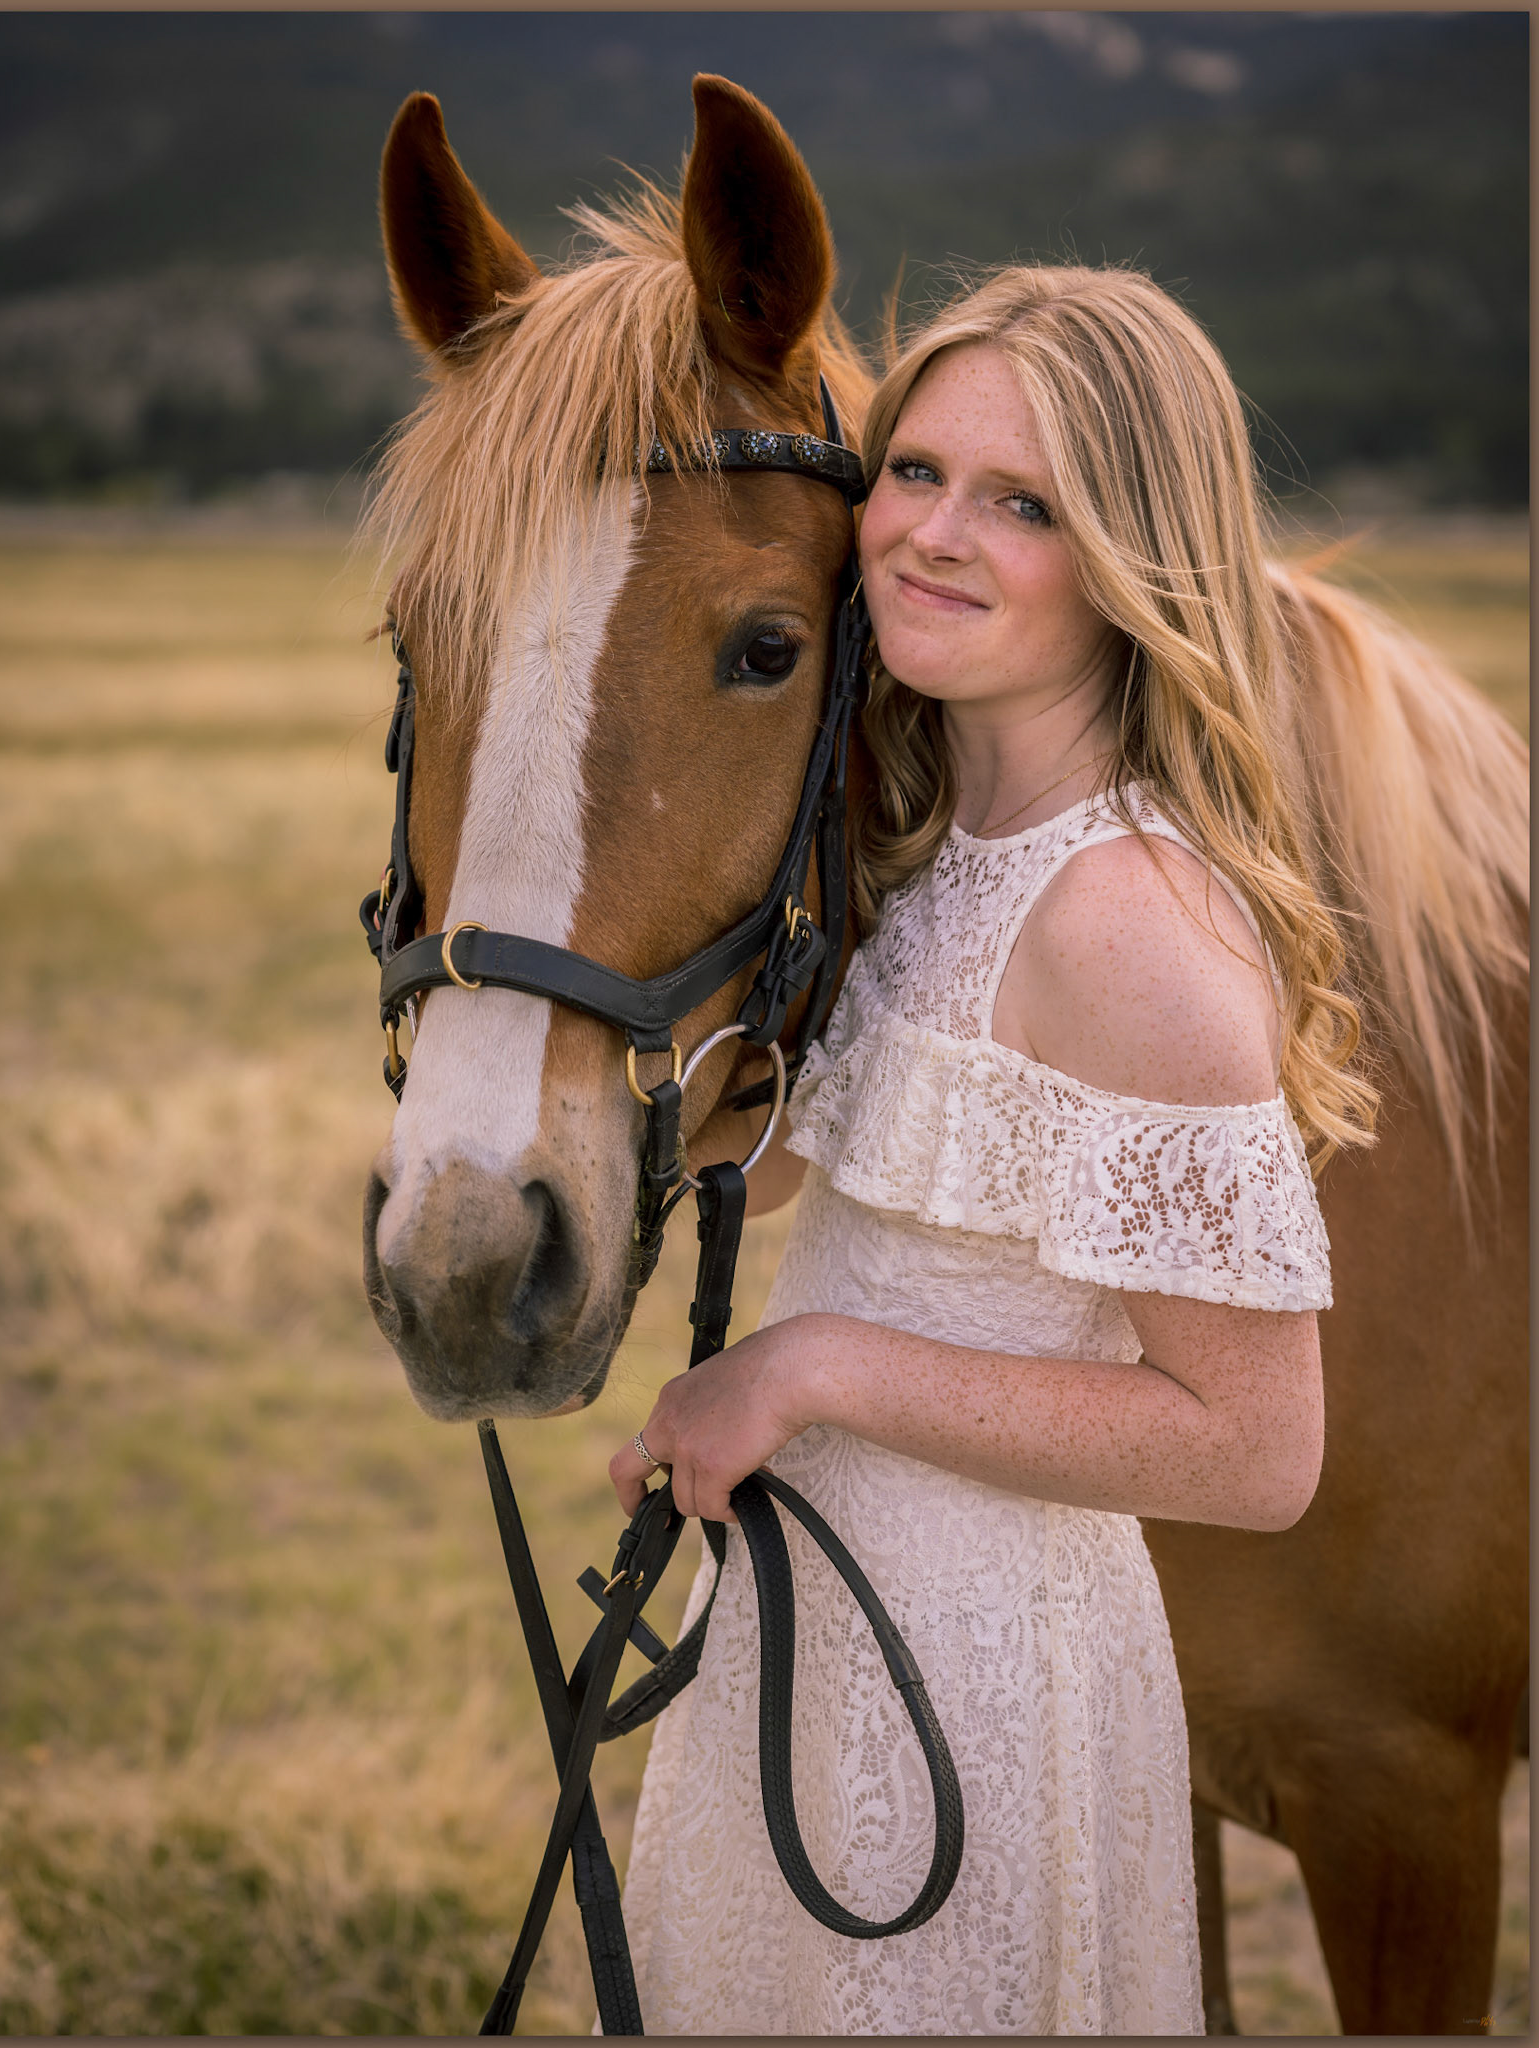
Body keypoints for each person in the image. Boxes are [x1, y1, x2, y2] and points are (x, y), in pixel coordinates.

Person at [608, 265, 1375, 2037]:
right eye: (917, 472)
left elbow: (1254, 1450)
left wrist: (804, 1367)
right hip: (811, 1614)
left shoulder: (1131, 931)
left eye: (1021, 504)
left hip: (972, 1679)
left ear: (1131, 552)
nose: (932, 537)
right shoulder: (928, 841)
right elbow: (818, 1171)